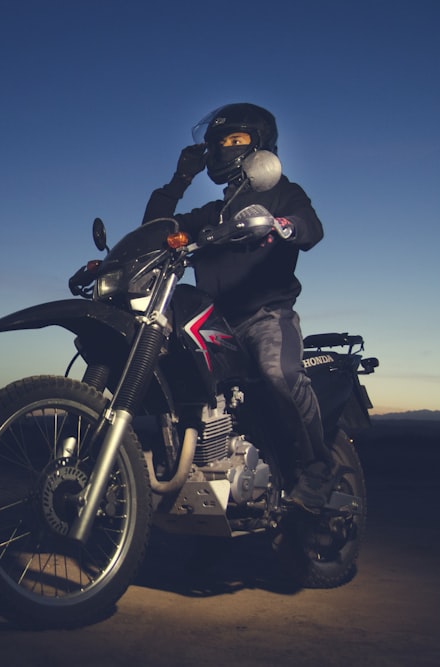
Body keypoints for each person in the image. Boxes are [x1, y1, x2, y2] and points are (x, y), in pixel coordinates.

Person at [142, 102, 333, 513]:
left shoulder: (282, 193)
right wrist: (178, 180)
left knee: (277, 372)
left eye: (236, 139)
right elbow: (155, 229)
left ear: (259, 144)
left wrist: (284, 225)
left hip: (266, 315)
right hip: (213, 322)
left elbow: (310, 226)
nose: (225, 148)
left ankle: (316, 471)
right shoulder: (212, 214)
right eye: (220, 142)